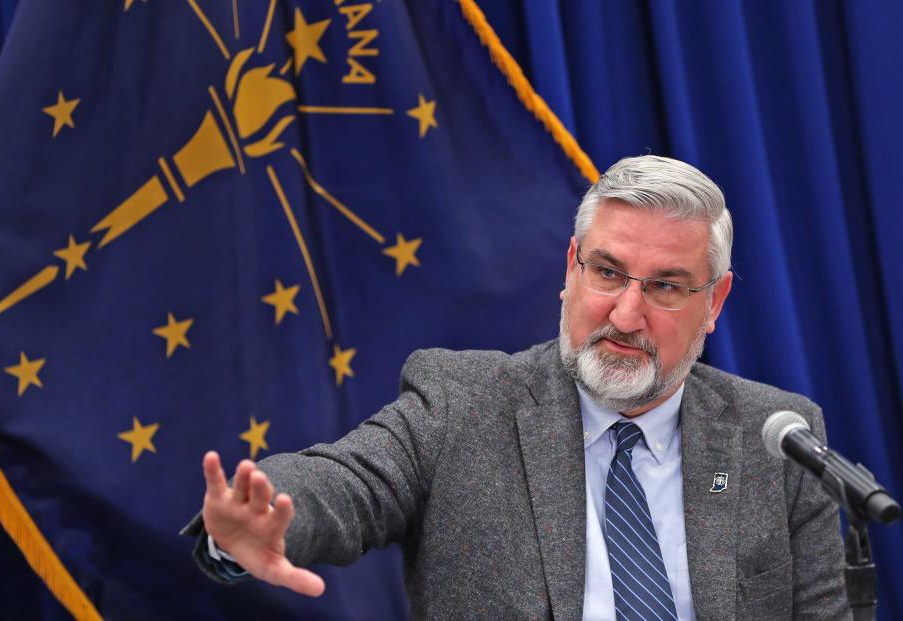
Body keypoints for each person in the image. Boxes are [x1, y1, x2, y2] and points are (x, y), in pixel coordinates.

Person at [183, 155, 850, 620]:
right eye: (608, 273)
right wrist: (260, 520)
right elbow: (347, 482)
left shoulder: (780, 437)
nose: (624, 314)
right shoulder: (461, 402)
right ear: (571, 267)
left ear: (715, 301)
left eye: (666, 287)